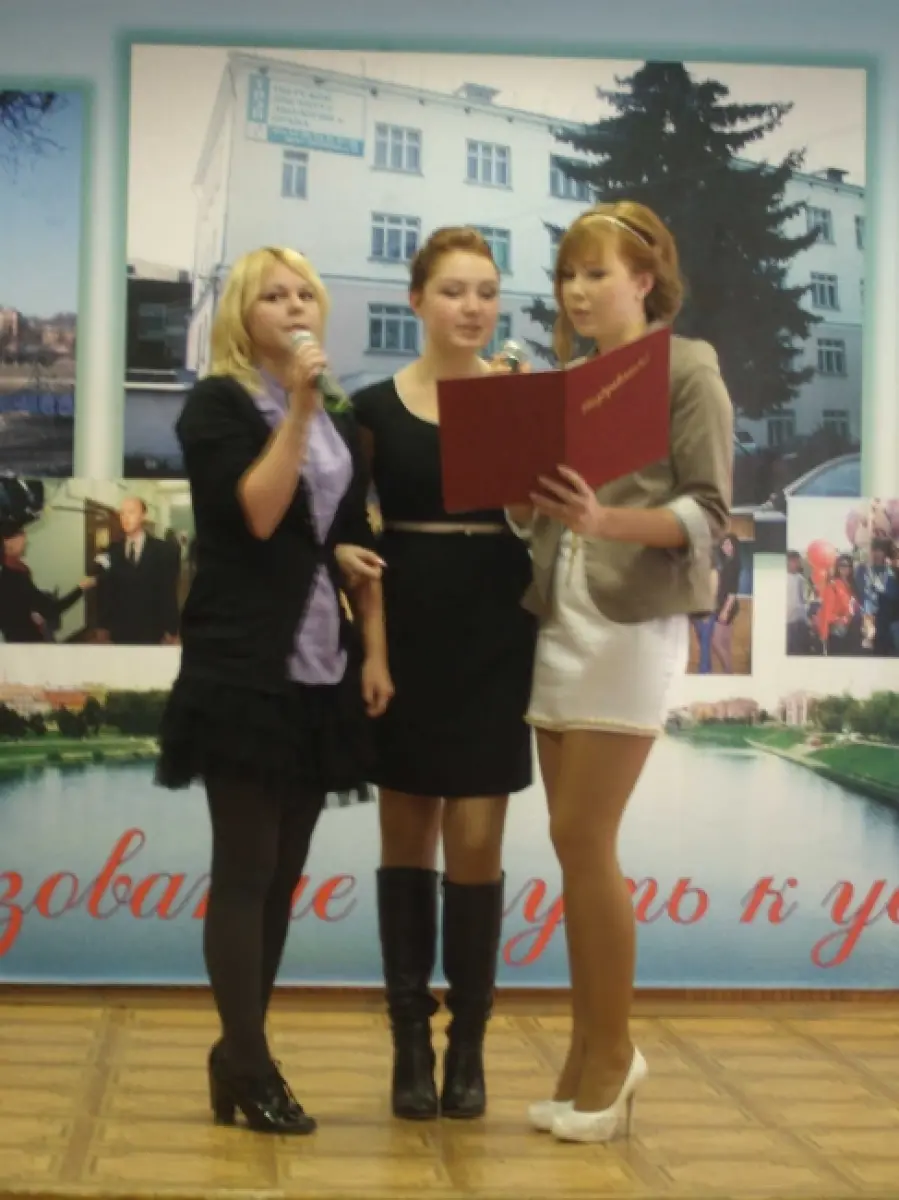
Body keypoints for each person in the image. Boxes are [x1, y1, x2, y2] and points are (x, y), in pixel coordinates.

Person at [506, 202, 732, 1143]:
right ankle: (584, 1053)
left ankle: (613, 1055)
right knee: (573, 848)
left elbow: (708, 512)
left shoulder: (687, 367)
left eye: (595, 273)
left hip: (630, 625)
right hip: (559, 617)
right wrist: (524, 498)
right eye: (567, 274)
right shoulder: (565, 381)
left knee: (581, 835)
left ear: (644, 280)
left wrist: (603, 522)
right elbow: (542, 514)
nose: (576, 290)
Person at [154, 246, 393, 1136]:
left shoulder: (337, 416)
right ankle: (253, 1066)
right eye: (273, 296)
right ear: (241, 316)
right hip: (242, 664)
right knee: (246, 869)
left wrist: (371, 642)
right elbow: (255, 514)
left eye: (305, 294)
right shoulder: (219, 405)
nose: (294, 308)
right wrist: (296, 406)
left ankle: (236, 1056)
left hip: (318, 664)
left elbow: (334, 531)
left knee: (283, 874)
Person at [351, 227, 537, 1121]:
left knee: (476, 842)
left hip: (497, 625)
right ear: (416, 300)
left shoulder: (517, 403)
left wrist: (521, 423)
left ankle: (468, 1045)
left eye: (486, 292)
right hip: (407, 625)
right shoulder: (371, 410)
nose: (472, 307)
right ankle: (408, 1046)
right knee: (405, 837)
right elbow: (351, 542)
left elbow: (540, 520)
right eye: (454, 290)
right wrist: (373, 652)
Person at [93, 496, 181, 645]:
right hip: (120, 629)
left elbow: (168, 591)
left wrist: (171, 628)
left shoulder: (163, 550)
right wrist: (102, 624)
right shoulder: (112, 551)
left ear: (143, 516)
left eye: (131, 512)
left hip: (152, 628)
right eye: (122, 513)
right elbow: (106, 590)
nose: (125, 518)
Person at [0, 522, 94, 642]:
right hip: (27, 643)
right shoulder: (14, 575)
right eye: (21, 536)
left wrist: (31, 610)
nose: (25, 541)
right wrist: (81, 588)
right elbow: (51, 609)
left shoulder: (12, 571)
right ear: (8, 542)